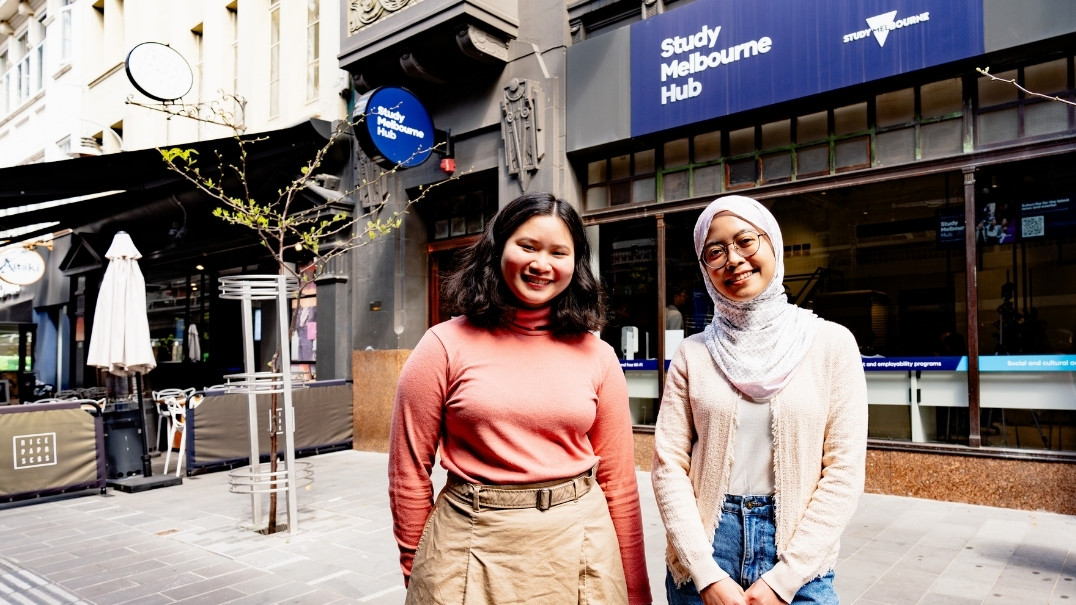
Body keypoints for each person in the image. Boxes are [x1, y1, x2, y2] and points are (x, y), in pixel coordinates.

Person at [389, 192, 652, 604]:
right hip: (469, 544)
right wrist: (419, 569)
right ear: (497, 250)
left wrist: (636, 590)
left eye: (558, 252)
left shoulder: (598, 354)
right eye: (527, 246)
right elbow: (408, 473)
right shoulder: (441, 345)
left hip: (581, 545)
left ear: (575, 264)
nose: (540, 264)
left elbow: (619, 482)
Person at [651, 195, 868, 605]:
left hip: (798, 554)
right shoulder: (692, 354)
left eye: (746, 241)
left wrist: (785, 579)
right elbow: (668, 467)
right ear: (705, 268)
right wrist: (704, 572)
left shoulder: (831, 344)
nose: (733, 259)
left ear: (773, 245)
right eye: (715, 251)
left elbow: (843, 471)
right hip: (706, 549)